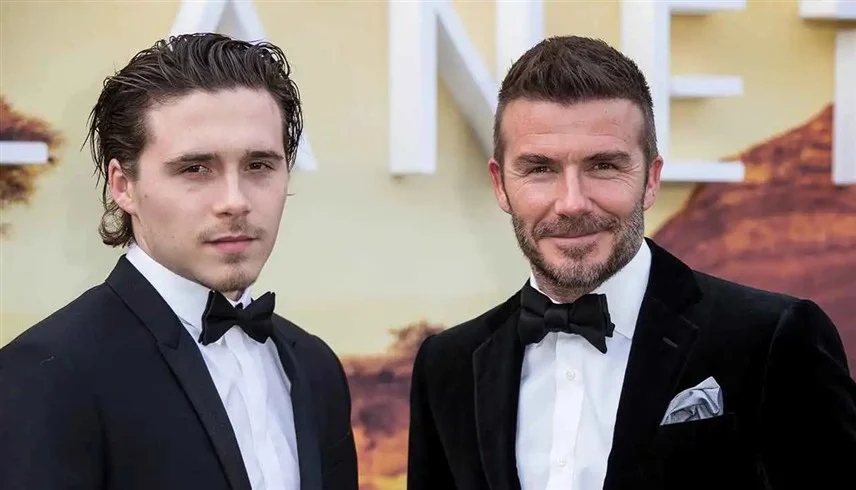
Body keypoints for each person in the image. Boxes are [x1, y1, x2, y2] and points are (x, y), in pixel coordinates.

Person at [406, 35, 856, 490]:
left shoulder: (773, 337)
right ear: (501, 185)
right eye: (540, 169)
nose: (572, 203)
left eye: (603, 166)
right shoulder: (447, 366)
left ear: (651, 180)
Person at [0, 33, 357, 490]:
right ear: (123, 185)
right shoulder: (48, 373)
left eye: (258, 165)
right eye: (195, 168)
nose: (235, 201)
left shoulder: (315, 366)